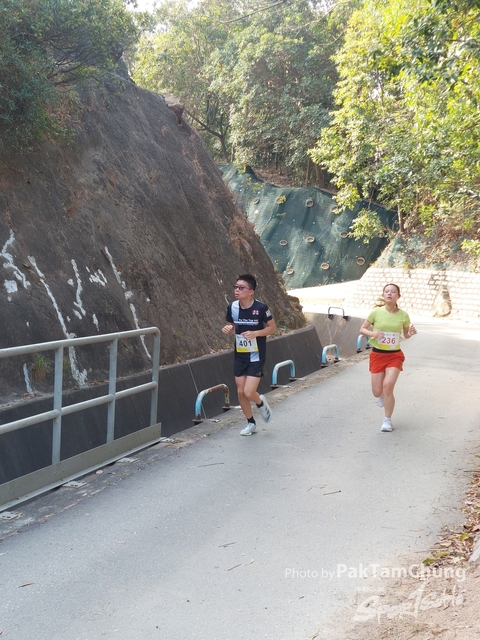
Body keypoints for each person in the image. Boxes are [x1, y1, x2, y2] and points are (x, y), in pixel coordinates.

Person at [222, 274, 276, 436]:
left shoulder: (261, 308)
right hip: (240, 354)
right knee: (240, 392)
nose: (237, 290)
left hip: (256, 355)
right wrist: (228, 328)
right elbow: (231, 324)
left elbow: (272, 328)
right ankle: (251, 423)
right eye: (236, 287)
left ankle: (260, 403)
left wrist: (256, 333)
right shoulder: (232, 307)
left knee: (248, 392)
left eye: (241, 288)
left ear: (251, 291)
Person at [359, 283, 417, 432]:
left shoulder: (403, 315)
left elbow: (405, 335)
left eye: (393, 292)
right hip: (377, 354)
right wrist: (374, 334)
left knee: (388, 385)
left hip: (394, 355)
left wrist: (411, 333)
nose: (389, 294)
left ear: (398, 296)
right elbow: (362, 329)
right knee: (377, 392)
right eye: (386, 291)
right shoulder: (376, 312)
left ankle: (387, 421)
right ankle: (382, 396)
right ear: (383, 295)